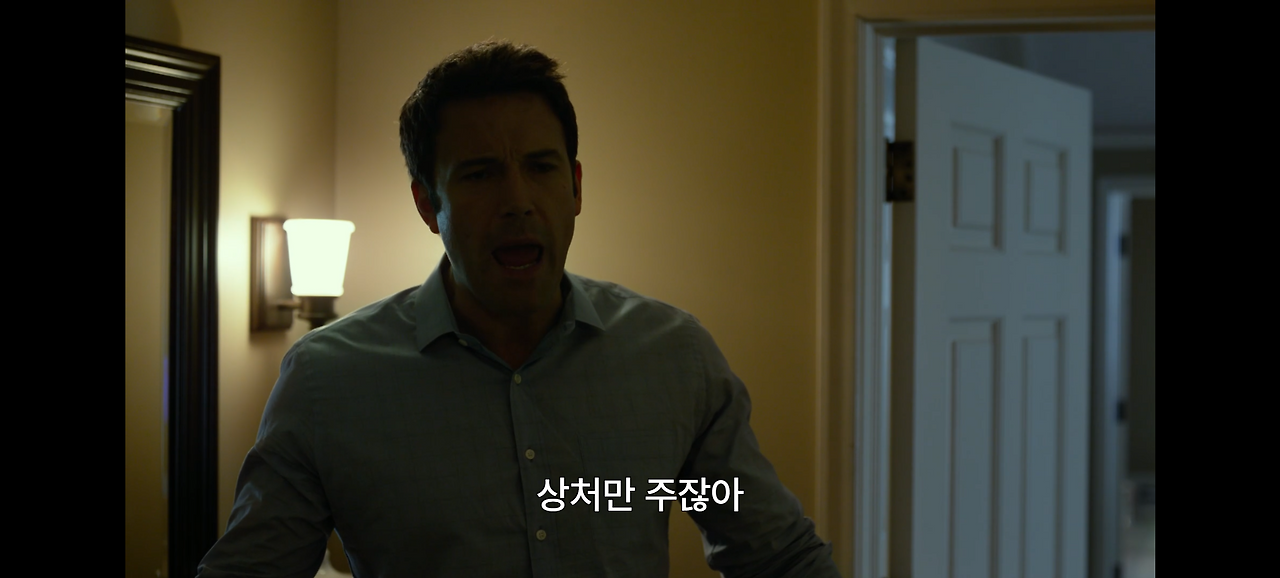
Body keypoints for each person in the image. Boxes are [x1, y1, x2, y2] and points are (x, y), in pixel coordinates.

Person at [198, 40, 840, 578]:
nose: (518, 201)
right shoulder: (329, 382)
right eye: (480, 174)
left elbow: (777, 557)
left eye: (541, 167)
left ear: (576, 186)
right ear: (427, 204)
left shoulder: (673, 359)